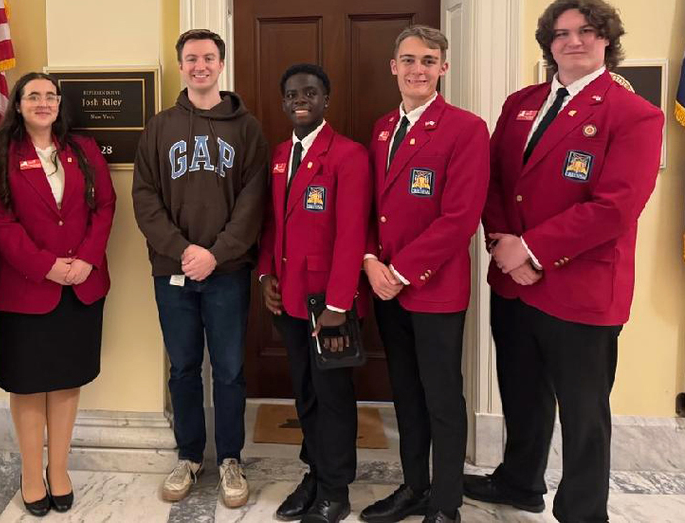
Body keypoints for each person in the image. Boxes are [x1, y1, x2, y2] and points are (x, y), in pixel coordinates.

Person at [466, 0, 663, 523]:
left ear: (606, 40)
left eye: (585, 32)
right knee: (522, 394)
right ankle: (519, 481)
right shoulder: (520, 103)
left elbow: (615, 208)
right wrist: (504, 243)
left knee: (583, 412)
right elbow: (495, 182)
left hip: (581, 288)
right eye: (561, 33)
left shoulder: (635, 114)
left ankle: (581, 510)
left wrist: (531, 250)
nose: (572, 41)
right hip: (512, 280)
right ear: (548, 44)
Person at [132, 28, 268, 508]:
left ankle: (230, 457)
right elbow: (144, 198)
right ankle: (189, 456)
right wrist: (183, 249)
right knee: (184, 368)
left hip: (227, 272)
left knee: (229, 370)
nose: (200, 66)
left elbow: (254, 200)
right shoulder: (159, 127)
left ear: (221, 63)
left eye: (208, 58)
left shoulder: (247, 128)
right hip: (171, 271)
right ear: (181, 65)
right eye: (191, 59)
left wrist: (217, 253)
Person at [359, 26, 489, 523]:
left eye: (428, 61)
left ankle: (446, 503)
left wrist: (400, 270)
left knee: (441, 399)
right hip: (385, 288)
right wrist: (371, 261)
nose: (418, 70)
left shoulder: (465, 128)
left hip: (433, 289)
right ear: (393, 66)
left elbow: (460, 218)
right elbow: (371, 207)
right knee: (406, 395)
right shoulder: (381, 128)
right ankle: (413, 488)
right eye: (409, 60)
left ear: (443, 69)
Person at [0, 72, 116, 517]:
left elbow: (104, 207)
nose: (43, 102)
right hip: (25, 290)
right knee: (27, 383)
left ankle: (58, 470)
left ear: (60, 103)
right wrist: (46, 266)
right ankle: (30, 472)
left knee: (65, 380)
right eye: (33, 96)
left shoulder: (83, 149)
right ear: (17, 105)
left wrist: (86, 260)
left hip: (80, 285)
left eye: (50, 96)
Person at [257, 63, 370, 523]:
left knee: (333, 396)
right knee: (304, 392)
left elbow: (351, 235)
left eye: (309, 92)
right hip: (289, 298)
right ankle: (316, 473)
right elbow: (272, 224)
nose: (299, 100)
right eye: (291, 94)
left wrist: (339, 304)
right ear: (283, 102)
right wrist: (266, 277)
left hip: (328, 303)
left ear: (326, 100)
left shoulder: (348, 155)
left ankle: (336, 490)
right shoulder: (281, 153)